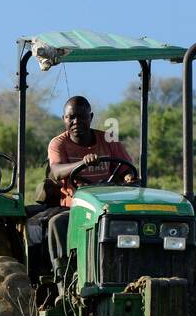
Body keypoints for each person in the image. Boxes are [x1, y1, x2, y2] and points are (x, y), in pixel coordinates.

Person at [30, 95, 138, 271]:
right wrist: (82, 163)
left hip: (107, 206)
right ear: (64, 119)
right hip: (74, 207)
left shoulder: (108, 140)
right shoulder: (58, 143)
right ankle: (64, 274)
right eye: (71, 117)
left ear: (91, 117)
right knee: (57, 223)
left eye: (81, 116)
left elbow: (126, 169)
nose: (76, 121)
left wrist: (128, 177)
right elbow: (56, 172)